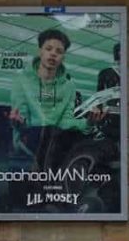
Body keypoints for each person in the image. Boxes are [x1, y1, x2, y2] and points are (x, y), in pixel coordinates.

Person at [7, 28, 92, 169]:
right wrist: (18, 122)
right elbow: (21, 120)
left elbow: (66, 121)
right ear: (40, 51)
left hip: (55, 145)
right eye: (49, 49)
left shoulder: (69, 86)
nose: (53, 54)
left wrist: (88, 122)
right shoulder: (21, 80)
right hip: (28, 145)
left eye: (59, 52)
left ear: (63, 57)